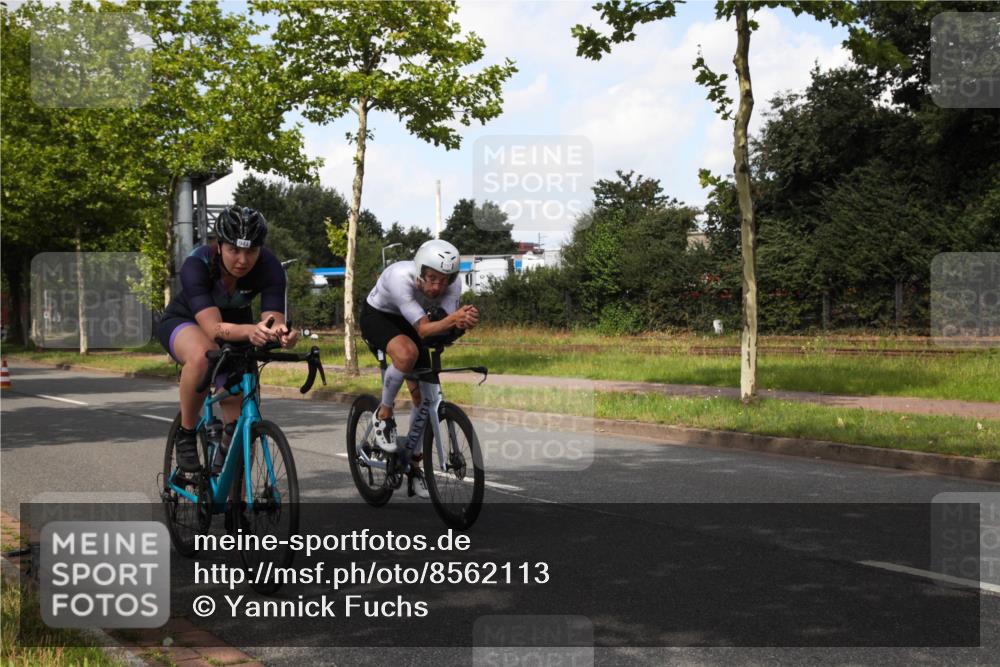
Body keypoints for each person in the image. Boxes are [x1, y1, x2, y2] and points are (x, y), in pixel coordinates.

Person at [156, 206, 298, 473]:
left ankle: (237, 503)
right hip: (186, 321)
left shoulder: (270, 268)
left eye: (251, 251)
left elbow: (272, 320)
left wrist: (282, 334)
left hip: (239, 326)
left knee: (241, 421)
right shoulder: (197, 264)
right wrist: (250, 331)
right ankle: (186, 432)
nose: (243, 260)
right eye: (234, 250)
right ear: (219, 245)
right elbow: (213, 329)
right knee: (203, 355)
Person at [360, 239, 479, 496]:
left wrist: (461, 324)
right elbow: (424, 329)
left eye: (445, 279)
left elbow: (439, 329)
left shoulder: (452, 285)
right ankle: (384, 413)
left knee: (424, 400)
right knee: (406, 354)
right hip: (380, 317)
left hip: (416, 322)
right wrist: (452, 320)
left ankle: (413, 465)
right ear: (420, 271)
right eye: (432, 278)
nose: (437, 287)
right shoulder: (400, 278)